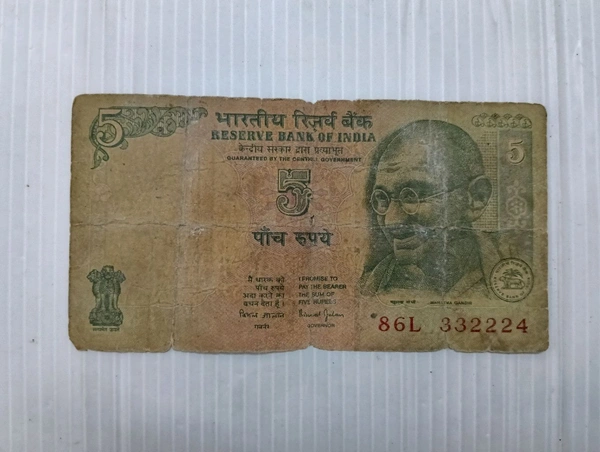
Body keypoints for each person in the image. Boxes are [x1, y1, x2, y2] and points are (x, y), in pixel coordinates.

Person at [359, 120, 498, 297]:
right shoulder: (365, 290)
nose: (391, 221)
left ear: (476, 198)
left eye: (415, 195)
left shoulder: (511, 262)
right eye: (382, 198)